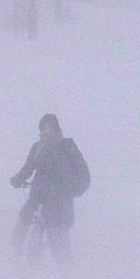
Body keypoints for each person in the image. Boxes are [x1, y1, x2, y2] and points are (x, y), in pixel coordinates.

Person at [10, 113, 83, 269]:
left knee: (58, 241)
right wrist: (17, 179)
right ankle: (17, 266)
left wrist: (68, 191)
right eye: (43, 131)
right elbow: (28, 166)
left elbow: (84, 178)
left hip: (59, 205)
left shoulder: (67, 148)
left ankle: (66, 275)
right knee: (19, 231)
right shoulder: (38, 148)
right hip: (36, 199)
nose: (45, 135)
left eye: (49, 131)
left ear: (57, 131)